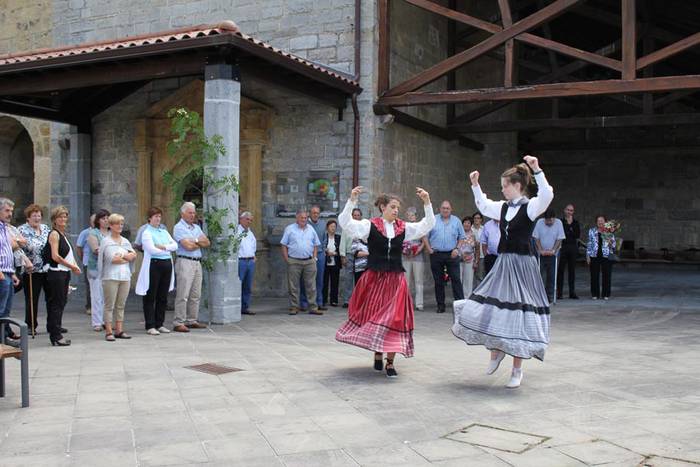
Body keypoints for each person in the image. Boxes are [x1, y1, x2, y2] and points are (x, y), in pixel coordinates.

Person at [453, 155, 554, 389]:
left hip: (524, 265)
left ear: (517, 185)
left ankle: (517, 369)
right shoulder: (503, 207)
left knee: (519, 313)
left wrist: (537, 169)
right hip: (504, 263)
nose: (503, 190)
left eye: (505, 186)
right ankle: (496, 351)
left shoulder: (530, 207)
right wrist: (475, 185)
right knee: (492, 306)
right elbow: (484, 206)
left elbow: (547, 194)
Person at [337, 187, 434, 378]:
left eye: (398, 207)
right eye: (392, 207)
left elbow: (427, 224)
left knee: (395, 319)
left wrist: (427, 202)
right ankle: (378, 353)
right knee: (376, 318)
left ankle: (390, 362)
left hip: (396, 281)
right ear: (382, 207)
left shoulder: (403, 228)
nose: (396, 210)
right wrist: (352, 201)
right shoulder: (369, 225)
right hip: (375, 280)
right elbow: (345, 223)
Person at [135, 207, 177, 335]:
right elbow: (151, 249)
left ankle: (160, 323)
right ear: (150, 218)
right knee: (150, 295)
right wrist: (167, 249)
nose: (158, 219)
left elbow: (175, 245)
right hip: (154, 265)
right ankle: (150, 325)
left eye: (159, 216)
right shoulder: (147, 232)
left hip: (166, 264)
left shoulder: (163, 231)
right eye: (155, 216)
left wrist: (164, 247)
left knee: (162, 296)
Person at [46, 205, 82, 346]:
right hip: (57, 273)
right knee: (57, 303)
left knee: (60, 302)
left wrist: (72, 266)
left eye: (65, 216)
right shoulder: (54, 234)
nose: (63, 218)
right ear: (54, 219)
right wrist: (72, 266)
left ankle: (55, 329)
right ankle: (56, 335)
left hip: (63, 273)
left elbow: (68, 255)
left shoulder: (63, 234)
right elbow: (55, 256)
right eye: (60, 216)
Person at [172, 202, 210, 332]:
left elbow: (207, 242)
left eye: (194, 212)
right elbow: (187, 247)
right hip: (185, 261)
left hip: (197, 261)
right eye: (190, 212)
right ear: (182, 214)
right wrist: (198, 241)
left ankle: (192, 320)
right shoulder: (178, 227)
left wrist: (194, 241)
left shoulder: (196, 227)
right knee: (183, 293)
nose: (193, 215)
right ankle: (179, 321)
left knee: (196, 293)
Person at [98, 214, 136, 341]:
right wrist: (126, 257)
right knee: (110, 305)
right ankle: (109, 331)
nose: (120, 226)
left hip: (125, 276)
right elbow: (112, 259)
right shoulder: (106, 241)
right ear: (111, 226)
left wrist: (123, 256)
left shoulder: (125, 241)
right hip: (110, 276)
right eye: (117, 224)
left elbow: (134, 255)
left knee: (121, 304)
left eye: (121, 224)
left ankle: (119, 330)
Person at [426, 200, 465, 313]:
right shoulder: (433, 220)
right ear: (439, 209)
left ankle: (460, 306)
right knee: (438, 281)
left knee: (456, 279)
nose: (445, 210)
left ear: (451, 209)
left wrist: (457, 249)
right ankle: (440, 305)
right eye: (443, 208)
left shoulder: (456, 221)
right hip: (436, 254)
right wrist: (429, 249)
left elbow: (462, 237)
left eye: (447, 208)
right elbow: (425, 235)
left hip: (451, 254)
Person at [281, 208, 322, 315]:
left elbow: (316, 245)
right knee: (293, 286)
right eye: (302, 217)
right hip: (294, 261)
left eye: (305, 218)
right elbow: (284, 245)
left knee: (311, 286)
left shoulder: (311, 229)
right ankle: (294, 307)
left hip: (309, 262)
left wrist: (314, 258)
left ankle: (313, 307)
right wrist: (287, 259)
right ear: (297, 218)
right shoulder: (289, 229)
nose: (304, 219)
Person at [18, 204, 51, 334]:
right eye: (34, 216)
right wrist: (25, 261)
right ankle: (31, 325)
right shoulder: (21, 230)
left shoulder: (45, 228)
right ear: (28, 217)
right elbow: (18, 249)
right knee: (32, 298)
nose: (37, 218)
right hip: (31, 270)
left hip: (47, 268)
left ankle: (52, 325)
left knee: (51, 297)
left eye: (39, 215)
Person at [533, 209, 565, 303]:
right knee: (539, 275)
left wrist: (553, 250)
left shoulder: (559, 223)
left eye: (551, 220)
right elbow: (536, 238)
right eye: (547, 221)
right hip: (541, 253)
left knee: (552, 275)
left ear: (554, 218)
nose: (549, 222)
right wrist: (540, 249)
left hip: (553, 254)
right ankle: (539, 296)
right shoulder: (539, 222)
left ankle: (549, 296)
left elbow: (560, 238)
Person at [0, 198, 21, 341]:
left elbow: (7, 250)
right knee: (0, 309)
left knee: (6, 310)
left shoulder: (5, 228)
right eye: (7, 211)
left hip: (7, 272)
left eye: (11, 211)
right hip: (1, 273)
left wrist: (12, 272)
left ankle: (3, 336)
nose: (10, 214)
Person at [86, 209, 110, 332]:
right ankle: (97, 322)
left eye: (107, 218)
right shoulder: (93, 233)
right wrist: (113, 252)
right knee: (97, 296)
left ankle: (107, 320)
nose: (106, 220)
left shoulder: (112, 233)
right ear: (98, 221)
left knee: (108, 297)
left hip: (110, 268)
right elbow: (96, 249)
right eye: (103, 218)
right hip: (96, 268)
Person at [402, 207, 428, 311]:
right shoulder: (404, 227)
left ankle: (419, 304)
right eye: (409, 215)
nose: (411, 217)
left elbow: (424, 241)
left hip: (418, 256)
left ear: (416, 216)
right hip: (406, 257)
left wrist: (418, 250)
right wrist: (404, 250)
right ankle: (406, 303)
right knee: (406, 281)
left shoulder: (420, 227)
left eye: (413, 215)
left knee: (418, 281)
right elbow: (400, 241)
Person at [586, 215, 615, 300]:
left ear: (605, 222)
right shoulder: (592, 231)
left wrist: (610, 241)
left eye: (602, 220)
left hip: (606, 256)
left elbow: (613, 245)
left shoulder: (608, 231)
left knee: (607, 275)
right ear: (596, 222)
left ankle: (606, 294)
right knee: (594, 275)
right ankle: (595, 294)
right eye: (598, 220)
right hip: (594, 255)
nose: (600, 222)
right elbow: (589, 244)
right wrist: (587, 255)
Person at [338, 208, 362, 307]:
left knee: (359, 278)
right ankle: (347, 300)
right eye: (354, 215)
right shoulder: (347, 227)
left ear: (361, 216)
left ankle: (358, 300)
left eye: (358, 215)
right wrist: (342, 256)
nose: (356, 217)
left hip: (360, 256)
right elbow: (343, 241)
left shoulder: (363, 227)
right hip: (349, 254)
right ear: (351, 216)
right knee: (348, 278)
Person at [557, 204, 581, 299]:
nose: (569, 212)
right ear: (564, 210)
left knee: (572, 271)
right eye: (568, 210)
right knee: (560, 270)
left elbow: (577, 235)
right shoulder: (560, 222)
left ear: (573, 212)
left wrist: (569, 231)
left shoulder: (576, 222)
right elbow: (560, 234)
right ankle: (560, 293)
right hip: (563, 247)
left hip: (572, 247)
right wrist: (570, 231)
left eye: (571, 210)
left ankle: (572, 292)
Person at [237, 211, 257, 315]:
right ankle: (236, 307)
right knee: (238, 285)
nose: (249, 222)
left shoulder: (250, 232)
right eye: (247, 219)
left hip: (250, 261)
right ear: (241, 219)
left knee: (247, 286)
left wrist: (253, 256)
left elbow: (253, 245)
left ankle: (245, 307)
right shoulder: (236, 231)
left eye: (251, 220)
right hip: (241, 261)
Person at [75, 214, 95, 316]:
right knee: (90, 285)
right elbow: (79, 247)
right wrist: (83, 259)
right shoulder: (85, 233)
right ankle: (89, 306)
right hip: (88, 261)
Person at [322, 219, 342, 307]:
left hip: (335, 262)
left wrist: (335, 253)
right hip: (325, 262)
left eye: (334, 227)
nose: (333, 228)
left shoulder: (338, 237)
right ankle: (323, 299)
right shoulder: (324, 236)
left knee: (335, 282)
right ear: (327, 227)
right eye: (331, 227)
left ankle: (334, 300)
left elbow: (341, 249)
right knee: (324, 282)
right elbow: (321, 247)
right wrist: (326, 252)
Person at [458, 216, 477, 302]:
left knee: (468, 280)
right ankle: (459, 298)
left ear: (471, 224)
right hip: (459, 259)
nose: (466, 224)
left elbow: (477, 249)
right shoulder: (458, 233)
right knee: (459, 279)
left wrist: (476, 261)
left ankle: (467, 299)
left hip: (470, 260)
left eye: (468, 223)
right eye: (465, 222)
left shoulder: (474, 235)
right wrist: (461, 255)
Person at [471, 212, 485, 285]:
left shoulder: (484, 229)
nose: (476, 219)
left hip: (481, 255)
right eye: (475, 218)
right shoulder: (470, 228)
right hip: (471, 255)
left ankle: (479, 294)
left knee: (480, 275)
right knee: (471, 275)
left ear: (481, 220)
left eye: (478, 218)